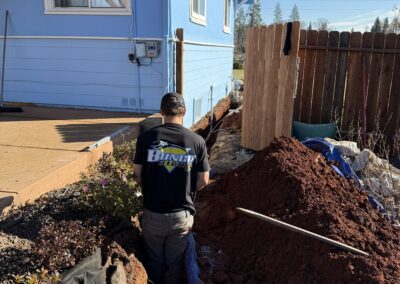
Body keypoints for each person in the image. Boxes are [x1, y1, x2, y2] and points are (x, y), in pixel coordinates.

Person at [134, 92, 210, 284]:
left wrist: (152, 184)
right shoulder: (197, 141)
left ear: (162, 111)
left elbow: (137, 174)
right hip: (181, 216)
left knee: (154, 261)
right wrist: (186, 189)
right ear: (183, 112)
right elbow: (204, 181)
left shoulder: (146, 138)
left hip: (153, 214)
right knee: (175, 263)